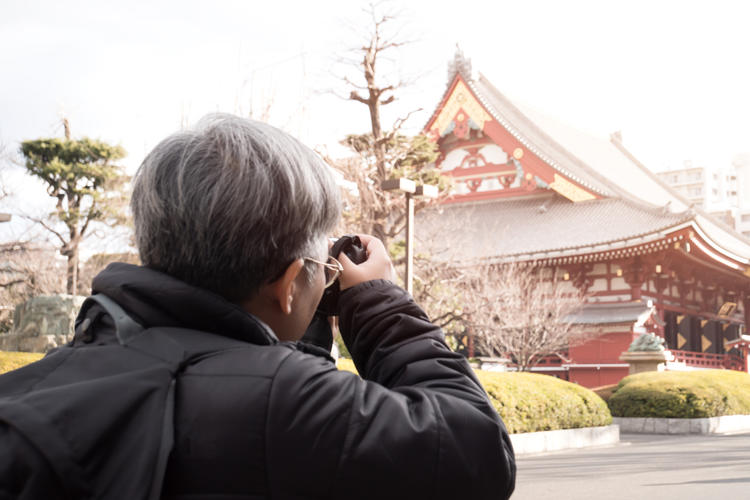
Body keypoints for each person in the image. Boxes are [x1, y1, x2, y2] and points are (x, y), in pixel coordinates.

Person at [1, 114, 515, 499]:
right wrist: (378, 303)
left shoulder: (37, 385)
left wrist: (301, 308)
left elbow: (261, 368)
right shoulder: (293, 407)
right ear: (292, 282)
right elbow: (478, 454)